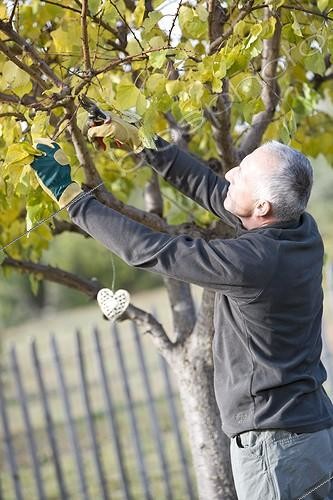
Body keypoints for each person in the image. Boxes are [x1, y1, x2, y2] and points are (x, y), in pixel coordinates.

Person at [30, 117, 333, 499]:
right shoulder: (300, 229)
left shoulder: (251, 263)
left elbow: (151, 250)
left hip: (275, 452)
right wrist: (144, 142)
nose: (231, 171)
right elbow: (211, 189)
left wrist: (73, 199)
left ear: (262, 206)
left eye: (243, 173)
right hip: (313, 436)